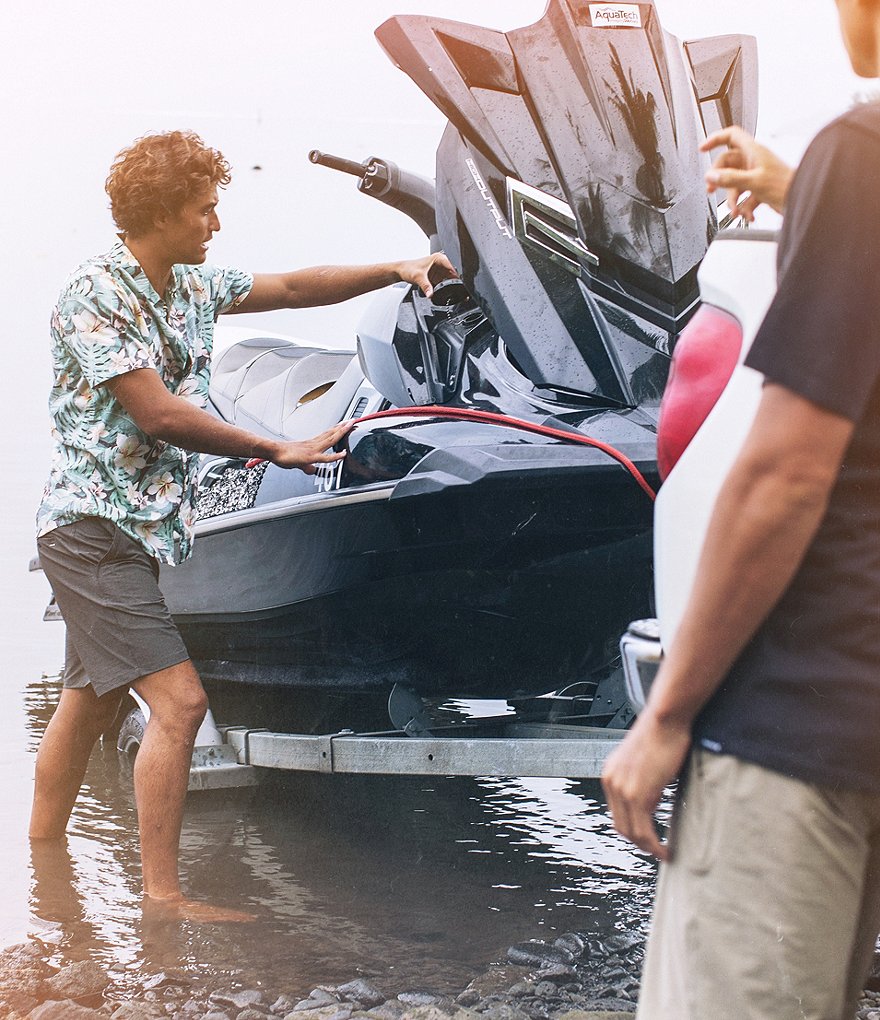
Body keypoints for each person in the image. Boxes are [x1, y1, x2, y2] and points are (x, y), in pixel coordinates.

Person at [31, 129, 457, 921]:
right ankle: (163, 899)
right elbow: (159, 415)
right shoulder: (98, 292)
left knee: (87, 700)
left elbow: (296, 287)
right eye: (203, 210)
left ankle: (41, 864)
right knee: (181, 706)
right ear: (158, 215)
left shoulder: (188, 282)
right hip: (91, 531)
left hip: (137, 531)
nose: (214, 224)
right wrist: (277, 448)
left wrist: (394, 266)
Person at [601, 1, 880, 1016]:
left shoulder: (865, 149)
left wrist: (665, 714)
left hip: (800, 709)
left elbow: (781, 476)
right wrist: (801, 188)